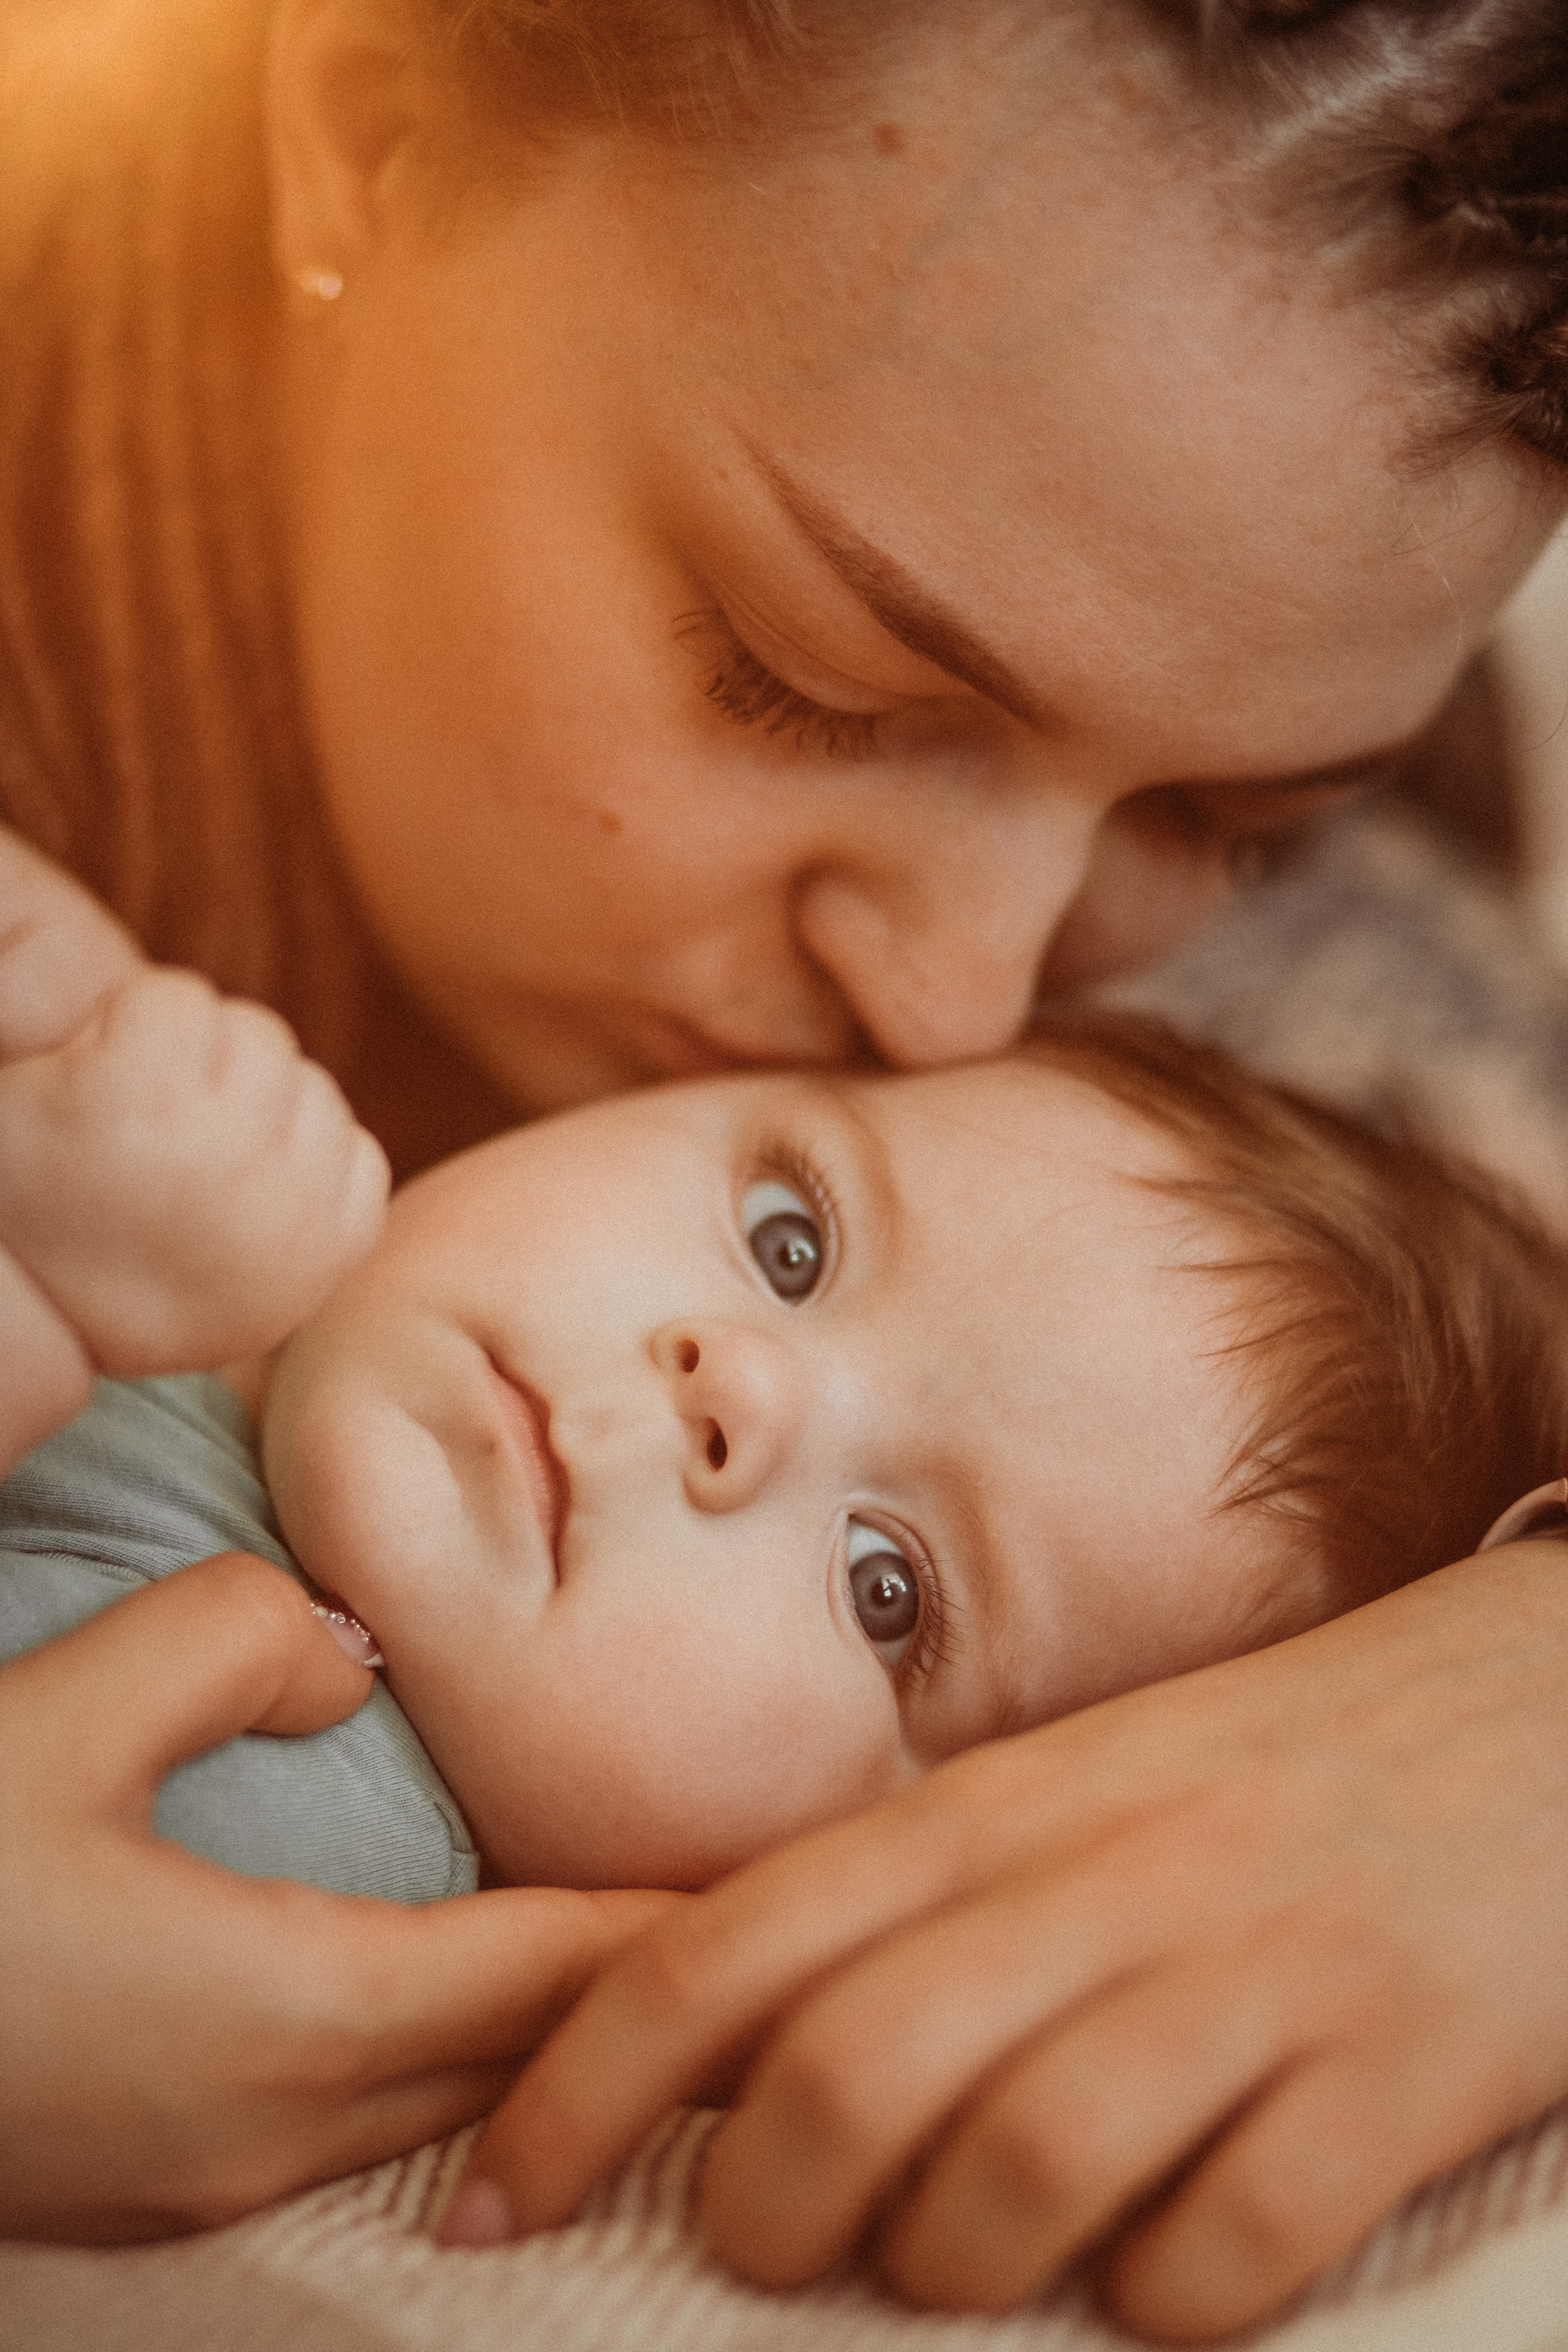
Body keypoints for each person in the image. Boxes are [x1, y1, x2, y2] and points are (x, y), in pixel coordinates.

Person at [3, 0, 1568, 2335]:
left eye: (1230, 828)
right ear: (367, 132)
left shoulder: (1291, 700)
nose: (961, 999)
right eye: (801, 677)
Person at [11, 1000, 1567, 1909]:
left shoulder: (279, 1816)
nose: (740, 1390)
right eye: (791, 1238)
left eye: (889, 1593)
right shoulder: (197, 1150)